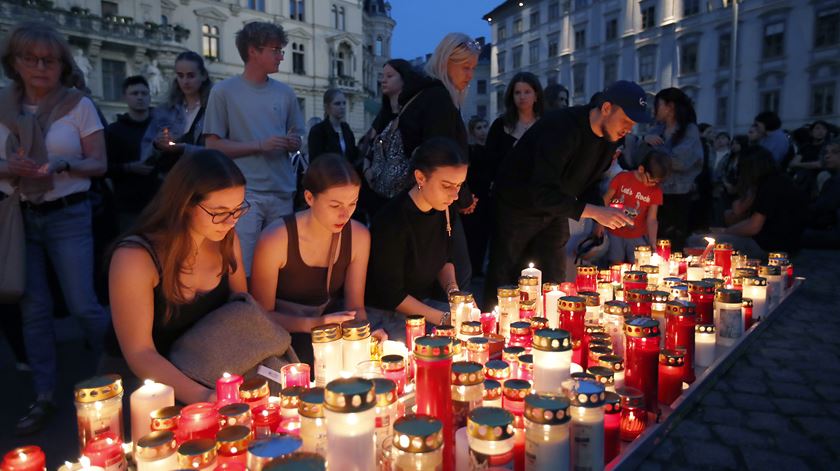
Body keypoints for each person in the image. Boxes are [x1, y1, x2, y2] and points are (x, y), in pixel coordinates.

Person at [0, 22, 109, 434]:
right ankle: (43, 394)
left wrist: (65, 164)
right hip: (19, 214)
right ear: (15, 62)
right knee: (34, 309)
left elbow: (98, 164)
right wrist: (11, 169)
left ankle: (112, 368)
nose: (41, 67)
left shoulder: (76, 105)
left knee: (83, 303)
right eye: (31, 58)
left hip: (68, 211)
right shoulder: (2, 107)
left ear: (62, 65)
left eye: (49, 60)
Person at [485, 80, 644, 308]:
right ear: (606, 108)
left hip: (556, 206)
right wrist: (595, 212)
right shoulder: (561, 128)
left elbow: (587, 182)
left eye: (633, 123)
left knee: (553, 274)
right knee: (505, 273)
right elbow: (541, 190)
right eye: (626, 120)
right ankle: (493, 329)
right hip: (517, 206)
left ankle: (549, 325)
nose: (629, 128)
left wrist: (603, 210)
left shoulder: (610, 138)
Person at [106, 150, 248, 404]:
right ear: (185, 204)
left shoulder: (226, 240)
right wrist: (206, 397)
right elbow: (140, 353)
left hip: (208, 368)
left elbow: (242, 310)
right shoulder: (136, 258)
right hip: (145, 386)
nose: (231, 222)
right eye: (219, 211)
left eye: (238, 210)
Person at [251, 153, 382, 366]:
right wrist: (314, 323)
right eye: (335, 205)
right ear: (310, 198)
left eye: (352, 203)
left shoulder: (358, 236)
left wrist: (364, 337)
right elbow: (261, 316)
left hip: (327, 338)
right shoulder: (276, 239)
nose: (345, 214)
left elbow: (355, 306)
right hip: (280, 341)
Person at [204, 22, 305, 275]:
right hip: (244, 195)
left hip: (282, 191)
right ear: (253, 51)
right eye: (275, 50)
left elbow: (298, 135)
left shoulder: (286, 93)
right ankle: (244, 312)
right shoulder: (223, 92)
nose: (282, 56)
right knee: (242, 267)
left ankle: (273, 313)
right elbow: (212, 145)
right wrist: (260, 145)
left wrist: (295, 142)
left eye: (281, 50)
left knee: (280, 267)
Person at [366, 137, 468, 338]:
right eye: (447, 185)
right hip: (385, 313)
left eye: (459, 185)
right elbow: (392, 294)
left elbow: (444, 259)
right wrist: (444, 319)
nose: (455, 195)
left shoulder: (444, 209)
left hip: (424, 304)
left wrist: (453, 291)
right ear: (420, 178)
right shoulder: (392, 221)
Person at [695, 147, 807, 259]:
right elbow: (738, 213)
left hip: (769, 247)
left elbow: (753, 226)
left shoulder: (769, 187)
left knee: (695, 241)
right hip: (788, 244)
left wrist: (725, 232)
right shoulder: (779, 180)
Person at [644, 87, 703, 251]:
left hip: (679, 196)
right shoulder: (656, 130)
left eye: (658, 104)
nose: (654, 109)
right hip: (653, 193)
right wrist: (645, 140)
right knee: (652, 240)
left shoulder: (689, 131)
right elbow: (638, 158)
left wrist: (654, 153)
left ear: (670, 107)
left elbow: (680, 161)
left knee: (674, 243)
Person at [141, 51, 212, 176]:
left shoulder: (214, 108)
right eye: (180, 75)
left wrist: (185, 148)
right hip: (170, 180)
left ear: (203, 76)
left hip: (204, 178)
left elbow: (220, 151)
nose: (185, 81)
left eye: (191, 76)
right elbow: (145, 154)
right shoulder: (165, 110)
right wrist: (157, 145)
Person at [600, 149, 672, 264]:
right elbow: (606, 200)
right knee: (615, 264)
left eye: (657, 182)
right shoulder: (622, 178)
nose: (653, 184)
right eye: (651, 180)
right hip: (614, 232)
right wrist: (599, 225)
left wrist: (653, 242)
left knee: (639, 265)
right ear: (641, 169)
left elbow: (652, 219)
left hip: (637, 236)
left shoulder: (655, 192)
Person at [106, 75, 155, 230]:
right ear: (125, 97)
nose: (140, 97)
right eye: (135, 93)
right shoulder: (113, 131)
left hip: (160, 204)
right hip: (128, 207)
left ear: (149, 96)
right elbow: (104, 167)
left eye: (144, 93)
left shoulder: (161, 130)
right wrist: (129, 167)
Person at [463, 116, 491, 275]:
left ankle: (479, 267)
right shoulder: (470, 150)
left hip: (487, 198)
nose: (482, 131)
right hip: (474, 197)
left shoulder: (491, 150)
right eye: (478, 128)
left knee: (483, 236)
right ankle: (472, 268)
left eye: (484, 127)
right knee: (472, 235)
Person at [802, 138, 840, 248]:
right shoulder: (832, 179)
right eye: (825, 152)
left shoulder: (836, 181)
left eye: (835, 152)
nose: (827, 156)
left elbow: (823, 208)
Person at [307, 89, 357, 164]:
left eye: (344, 103)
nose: (342, 107)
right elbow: (315, 161)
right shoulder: (318, 131)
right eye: (337, 104)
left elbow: (353, 155)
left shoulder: (346, 129)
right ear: (327, 107)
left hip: (346, 174)